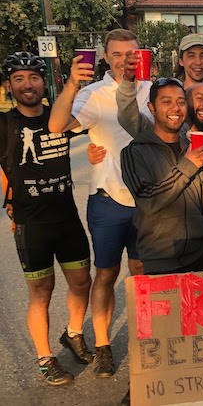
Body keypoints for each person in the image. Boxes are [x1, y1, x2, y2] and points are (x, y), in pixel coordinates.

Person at [48, 28, 150, 378]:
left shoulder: (153, 89)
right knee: (106, 274)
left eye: (130, 54)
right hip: (109, 200)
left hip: (148, 202)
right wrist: (72, 84)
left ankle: (145, 341)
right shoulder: (92, 93)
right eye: (117, 54)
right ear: (106, 57)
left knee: (142, 275)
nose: (124, 61)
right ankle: (104, 346)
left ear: (140, 55)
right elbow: (58, 125)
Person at [1, 52, 92, 385]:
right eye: (19, 79)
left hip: (67, 218)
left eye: (34, 77)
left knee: (82, 282)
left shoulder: (59, 115)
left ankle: (73, 333)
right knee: (42, 292)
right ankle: (44, 357)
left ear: (44, 83)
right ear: (9, 86)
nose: (28, 85)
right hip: (32, 224)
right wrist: (11, 202)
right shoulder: (6, 124)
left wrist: (96, 150)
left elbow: (95, 124)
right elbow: (3, 166)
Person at [120, 78, 203, 275]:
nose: (175, 108)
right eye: (166, 102)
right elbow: (148, 200)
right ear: (152, 108)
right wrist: (187, 165)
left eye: (180, 101)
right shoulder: (134, 151)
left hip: (200, 258)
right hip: (159, 261)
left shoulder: (195, 148)